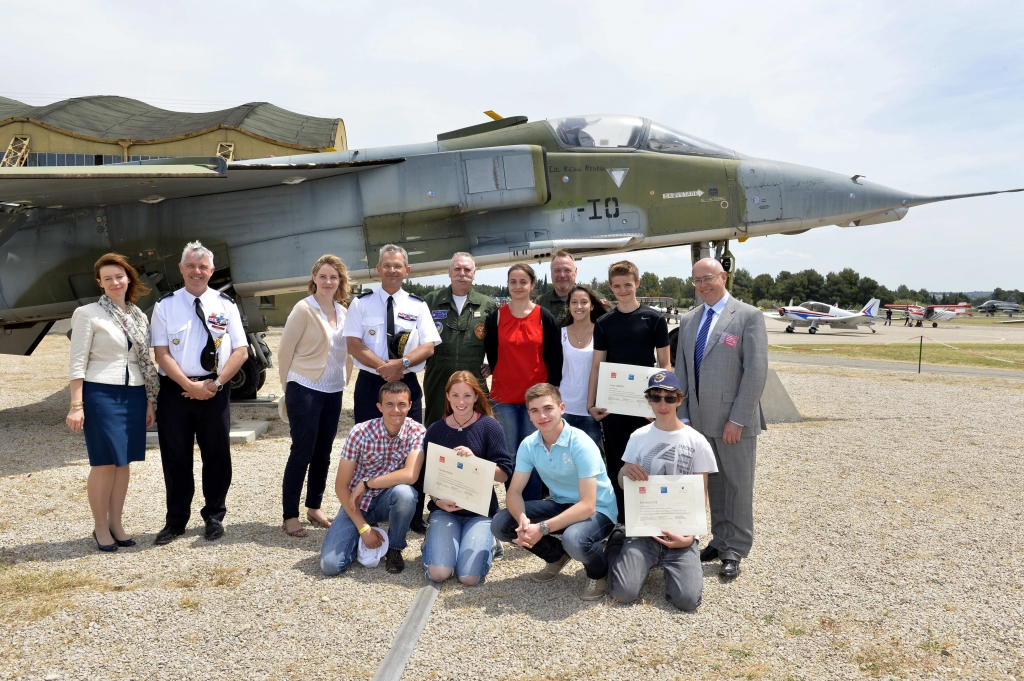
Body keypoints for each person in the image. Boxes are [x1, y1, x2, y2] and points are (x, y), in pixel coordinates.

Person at [673, 258, 767, 580]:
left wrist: (738, 419)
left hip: (733, 422)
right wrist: (682, 415)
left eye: (708, 278)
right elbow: (682, 370)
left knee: (738, 485)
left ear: (723, 277)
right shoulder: (689, 320)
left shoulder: (748, 316)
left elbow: (756, 371)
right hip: (698, 420)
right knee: (713, 484)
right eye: (697, 280)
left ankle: (735, 549)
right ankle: (719, 538)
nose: (703, 285)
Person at [151, 241, 249, 545]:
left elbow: (241, 351)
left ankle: (214, 516)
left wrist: (215, 385)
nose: (197, 271)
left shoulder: (226, 305)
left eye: (203, 266)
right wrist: (189, 386)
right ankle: (176, 521)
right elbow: (162, 353)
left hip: (215, 389)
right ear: (181, 269)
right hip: (176, 391)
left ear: (211, 270)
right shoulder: (165, 305)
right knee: (176, 456)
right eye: (191, 266)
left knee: (217, 455)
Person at [67, 253, 159, 552]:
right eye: (108, 278)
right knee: (105, 462)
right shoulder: (88, 313)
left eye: (119, 276)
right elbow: (77, 362)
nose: (115, 282)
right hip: (101, 393)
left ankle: (116, 522)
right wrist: (76, 405)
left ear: (129, 278)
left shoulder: (138, 315)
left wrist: (149, 401)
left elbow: (145, 361)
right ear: (100, 283)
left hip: (133, 393)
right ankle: (100, 526)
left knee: (124, 463)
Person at [491, 383, 618, 600]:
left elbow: (588, 505)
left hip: (599, 509)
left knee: (574, 539)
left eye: (548, 408)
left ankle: (599, 573)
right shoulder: (529, 445)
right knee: (501, 524)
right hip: (561, 503)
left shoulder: (581, 444)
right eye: (534, 410)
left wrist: (541, 528)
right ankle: (557, 556)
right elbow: (514, 493)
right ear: (529, 415)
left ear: (562, 408)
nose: (542, 416)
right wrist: (523, 521)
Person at [606, 371, 717, 611]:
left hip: (681, 530)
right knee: (623, 593)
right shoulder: (638, 436)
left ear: (680, 399)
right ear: (648, 400)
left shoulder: (697, 441)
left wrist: (690, 536)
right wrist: (627, 472)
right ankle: (617, 543)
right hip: (644, 526)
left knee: (687, 602)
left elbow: (701, 494)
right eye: (655, 397)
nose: (662, 404)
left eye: (669, 397)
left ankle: (665, 562)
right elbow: (623, 480)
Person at [586, 260, 671, 515]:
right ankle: (620, 518)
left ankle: (647, 514)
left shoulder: (654, 319)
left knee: (647, 460)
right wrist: (591, 404)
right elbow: (597, 367)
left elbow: (665, 365)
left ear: (637, 283)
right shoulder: (604, 322)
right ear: (611, 288)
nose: (623, 290)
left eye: (627, 285)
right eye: (617, 286)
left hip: (644, 405)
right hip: (613, 405)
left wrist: (660, 402)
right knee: (616, 460)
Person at [277, 254, 350, 538]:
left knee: (324, 453)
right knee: (302, 451)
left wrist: (345, 380)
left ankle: (314, 506)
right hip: (304, 387)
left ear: (340, 281)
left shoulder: (344, 312)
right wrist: (289, 389)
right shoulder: (303, 309)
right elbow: (285, 352)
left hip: (333, 389)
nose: (328, 281)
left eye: (334, 277)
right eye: (323, 276)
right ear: (314, 279)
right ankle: (290, 515)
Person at [320, 381, 425, 575]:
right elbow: (341, 486)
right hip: (356, 503)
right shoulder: (359, 433)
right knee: (331, 566)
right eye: (389, 404)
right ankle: (364, 534)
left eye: (402, 404)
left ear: (410, 405)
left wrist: (367, 483)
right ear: (379, 406)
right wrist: (363, 529)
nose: (396, 410)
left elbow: (410, 475)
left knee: (406, 494)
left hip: (389, 500)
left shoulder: (417, 432)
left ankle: (394, 547)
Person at [421, 371, 513, 585]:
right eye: (455, 395)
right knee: (439, 573)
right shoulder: (435, 430)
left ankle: (491, 540)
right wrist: (436, 501)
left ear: (476, 397)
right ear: (447, 396)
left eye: (467, 396)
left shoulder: (490, 427)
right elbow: (429, 475)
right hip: (445, 510)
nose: (461, 402)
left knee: (469, 578)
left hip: (480, 512)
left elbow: (503, 474)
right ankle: (432, 540)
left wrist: (475, 463)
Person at [484, 263, 562, 502]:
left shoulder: (543, 316)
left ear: (532, 284)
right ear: (508, 285)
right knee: (510, 454)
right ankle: (515, 504)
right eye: (513, 282)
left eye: (523, 282)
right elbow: (493, 354)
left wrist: (552, 393)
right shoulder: (496, 317)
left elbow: (554, 356)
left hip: (536, 400)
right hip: (504, 397)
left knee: (535, 453)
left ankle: (533, 507)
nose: (518, 287)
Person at [343, 244, 441, 425]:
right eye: (386, 266)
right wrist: (386, 368)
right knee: (369, 444)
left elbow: (428, 347)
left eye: (397, 266)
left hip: (406, 382)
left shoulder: (418, 305)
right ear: (378, 269)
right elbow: (353, 345)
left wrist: (401, 364)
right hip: (370, 384)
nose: (392, 270)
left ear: (407, 270)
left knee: (410, 443)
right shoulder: (360, 303)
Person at [422, 253, 497, 427]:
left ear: (474, 273)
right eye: (457, 269)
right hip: (438, 375)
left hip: (474, 375)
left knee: (476, 426)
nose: (461, 273)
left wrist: (493, 363)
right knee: (437, 425)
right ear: (449, 271)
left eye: (467, 269)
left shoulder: (487, 304)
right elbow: (416, 336)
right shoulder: (431, 301)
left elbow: (497, 341)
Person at [559, 285, 607, 447]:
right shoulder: (561, 334)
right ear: (569, 305)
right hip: (564, 408)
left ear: (592, 306)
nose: (579, 306)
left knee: (589, 463)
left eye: (584, 302)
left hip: (591, 411)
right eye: (574, 302)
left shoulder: (602, 333)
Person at [536, 249, 578, 325]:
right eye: (557, 270)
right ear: (551, 273)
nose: (562, 275)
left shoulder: (593, 300)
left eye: (567, 270)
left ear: (575, 272)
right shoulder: (540, 303)